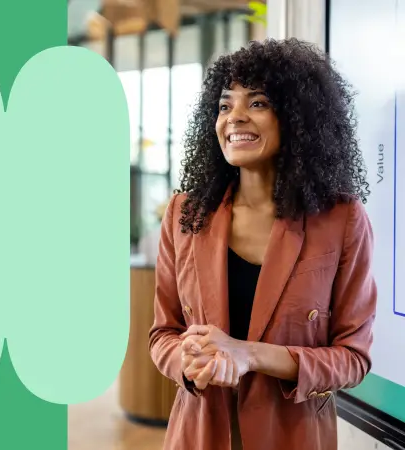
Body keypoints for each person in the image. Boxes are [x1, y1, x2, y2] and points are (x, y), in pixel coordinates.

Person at [148, 38, 377, 450]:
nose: (234, 117)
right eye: (224, 105)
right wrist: (189, 361)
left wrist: (247, 355)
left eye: (257, 103)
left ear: (297, 118)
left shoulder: (341, 220)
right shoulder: (186, 214)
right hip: (197, 435)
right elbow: (163, 334)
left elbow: (353, 358)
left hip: (291, 437)